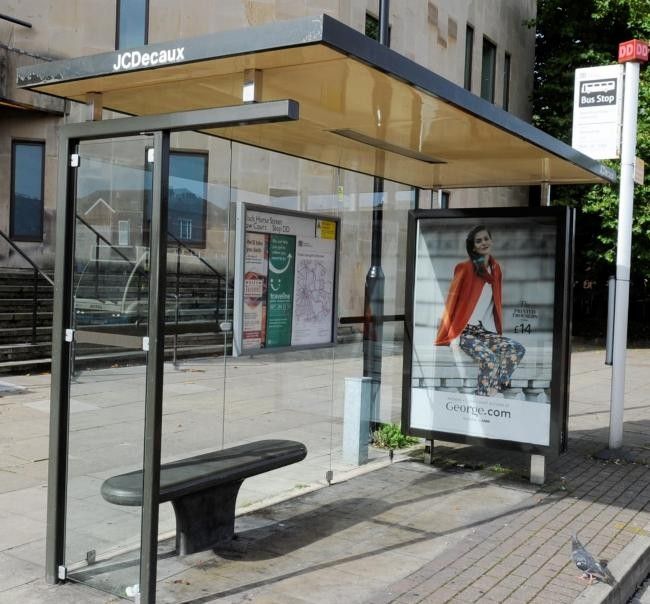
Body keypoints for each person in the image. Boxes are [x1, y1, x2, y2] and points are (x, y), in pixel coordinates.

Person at [435, 225, 525, 396]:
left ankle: (495, 388)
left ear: (491, 241)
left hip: (482, 331)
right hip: (464, 332)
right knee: (489, 359)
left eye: (486, 239)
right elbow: (452, 302)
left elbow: (495, 303)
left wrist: (495, 331)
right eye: (479, 241)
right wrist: (454, 335)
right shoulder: (464, 268)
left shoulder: (495, 269)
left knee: (517, 349)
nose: (483, 243)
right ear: (473, 246)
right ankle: (482, 395)